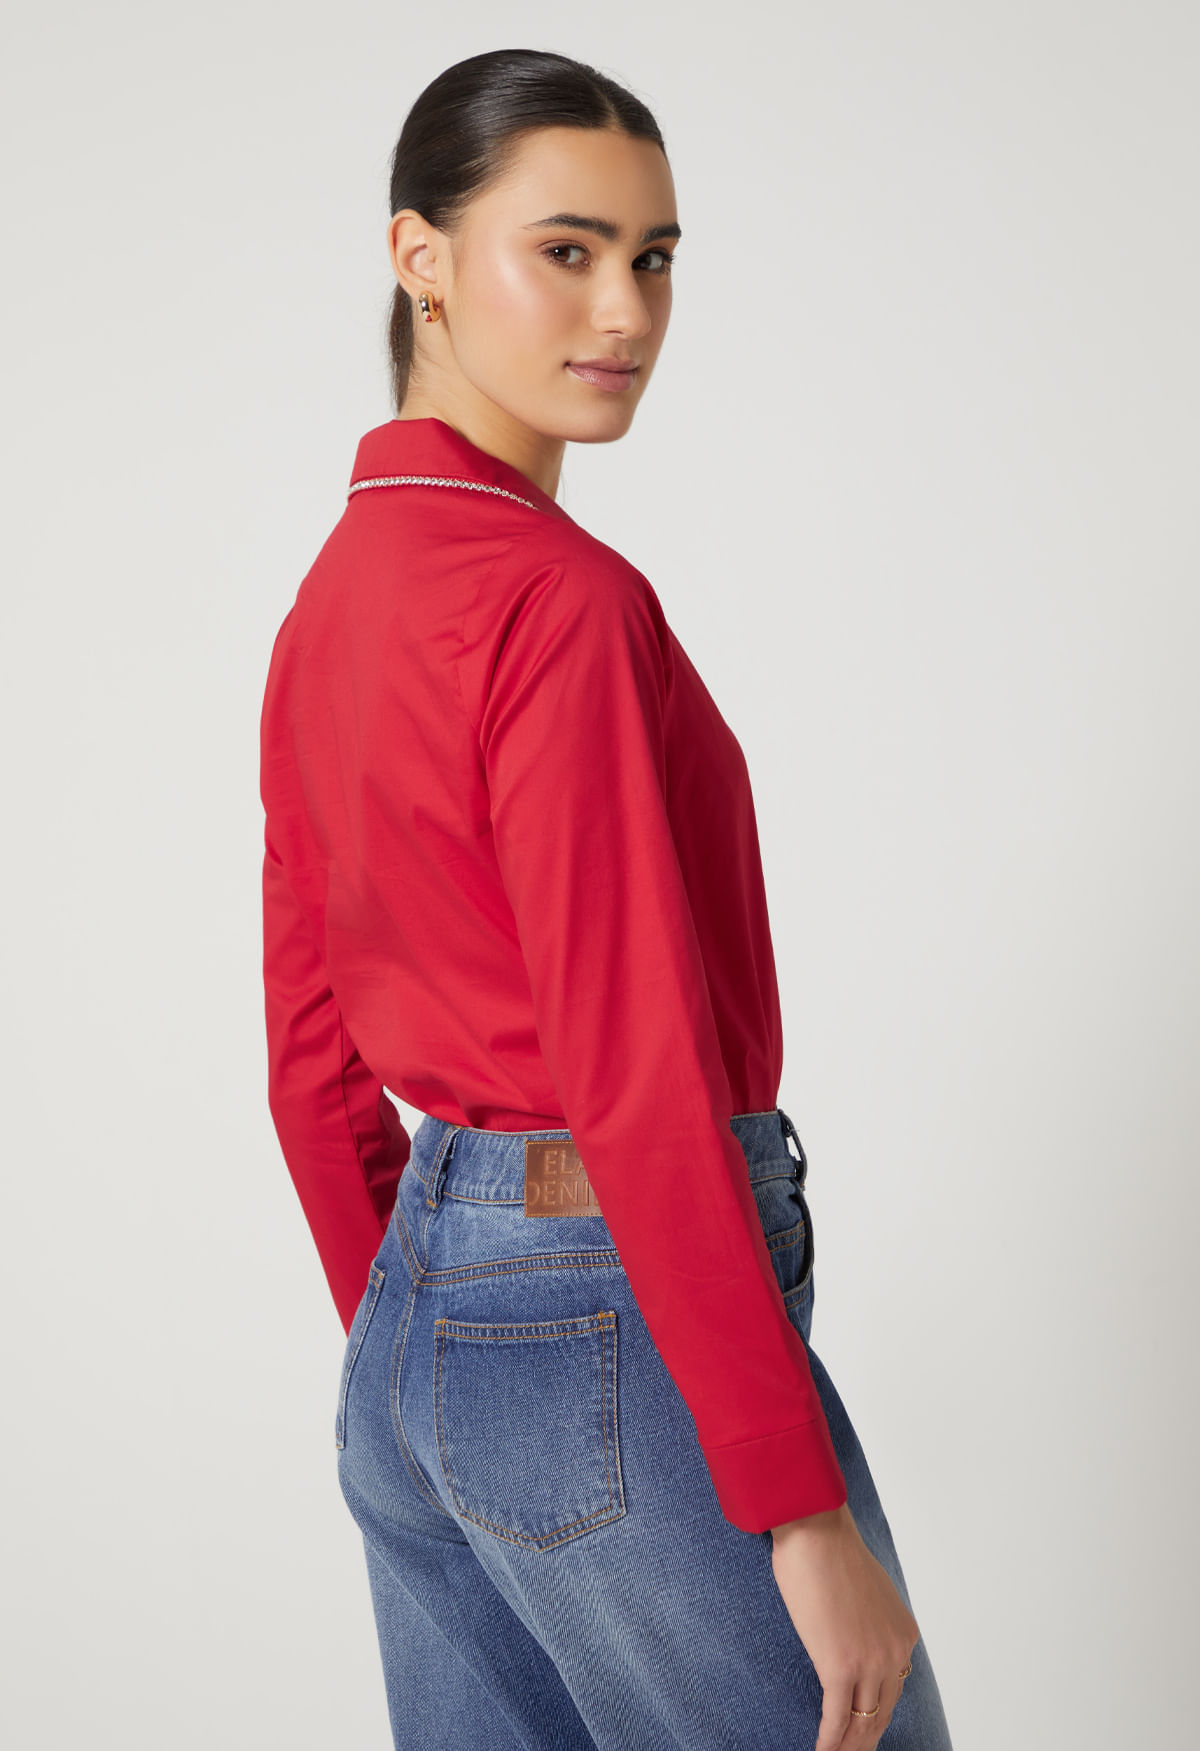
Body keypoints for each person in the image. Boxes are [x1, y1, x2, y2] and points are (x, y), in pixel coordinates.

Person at [259, 47, 954, 1751]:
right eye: (564, 251)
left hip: (419, 1350)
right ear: (420, 258)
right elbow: (635, 1068)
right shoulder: (558, 601)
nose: (625, 310)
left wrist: (423, 1348)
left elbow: (309, 1054)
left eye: (653, 257)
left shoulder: (334, 600)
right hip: (615, 1317)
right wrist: (792, 1501)